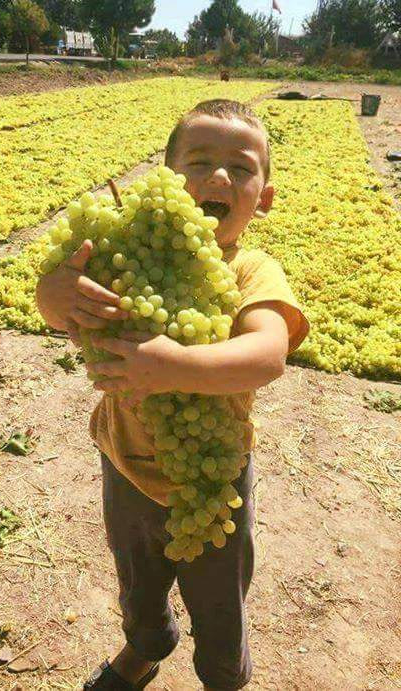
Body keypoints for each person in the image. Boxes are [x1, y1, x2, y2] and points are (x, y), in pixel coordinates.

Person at [35, 99, 310, 690]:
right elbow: (63, 308)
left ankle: (222, 676)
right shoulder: (130, 255)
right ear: (165, 178)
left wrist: (177, 365)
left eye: (241, 168)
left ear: (263, 198)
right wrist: (53, 294)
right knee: (137, 581)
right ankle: (147, 645)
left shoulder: (252, 270)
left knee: (218, 603)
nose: (218, 177)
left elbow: (267, 354)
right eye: (200, 161)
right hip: (124, 464)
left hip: (211, 484)